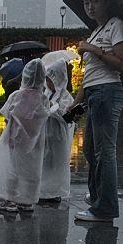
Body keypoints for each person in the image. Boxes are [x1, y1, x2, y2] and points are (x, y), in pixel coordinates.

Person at [73, 0, 123, 223]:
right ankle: (97, 196)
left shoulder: (117, 25)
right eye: (86, 2)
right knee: (89, 150)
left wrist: (92, 49)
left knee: (104, 152)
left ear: (107, 1)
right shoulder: (97, 30)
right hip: (95, 92)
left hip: (108, 91)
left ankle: (104, 208)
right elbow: (90, 74)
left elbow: (122, 64)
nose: (90, 6)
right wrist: (76, 101)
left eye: (95, 1)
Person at [0, 59, 51, 214]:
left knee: (13, 168)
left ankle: (10, 199)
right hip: (36, 141)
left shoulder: (17, 96)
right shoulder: (43, 98)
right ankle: (27, 200)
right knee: (32, 169)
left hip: (16, 139)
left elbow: (7, 114)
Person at [38, 59, 75, 204]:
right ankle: (43, 189)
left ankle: (55, 190)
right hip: (45, 132)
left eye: (51, 80)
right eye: (47, 80)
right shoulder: (46, 93)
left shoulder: (66, 97)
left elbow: (65, 115)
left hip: (58, 135)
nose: (49, 83)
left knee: (57, 163)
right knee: (45, 162)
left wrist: (54, 107)